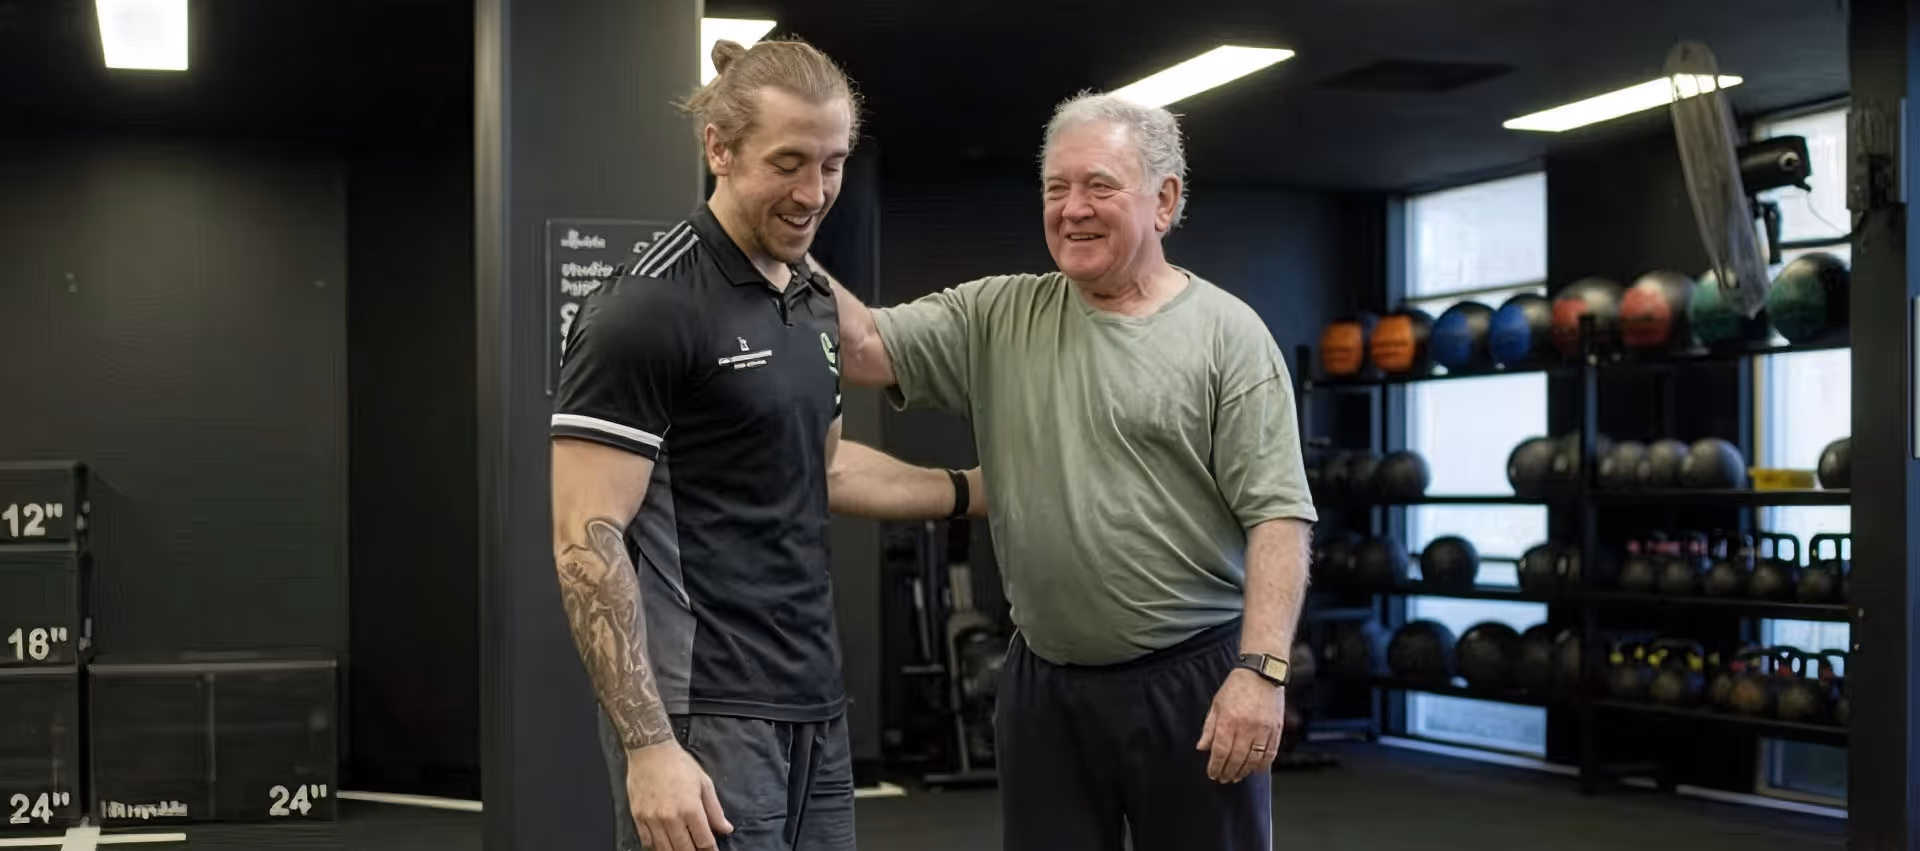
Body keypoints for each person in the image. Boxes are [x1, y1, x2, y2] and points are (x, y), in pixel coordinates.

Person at [826, 91, 1316, 851]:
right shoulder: (997, 314)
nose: (1072, 208)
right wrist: (769, 226)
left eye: (1098, 186)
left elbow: (1278, 516)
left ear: (1166, 200)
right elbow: (859, 345)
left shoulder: (1228, 336)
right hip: (1044, 682)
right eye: (1056, 188)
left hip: (1193, 677)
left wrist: (1260, 671)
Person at [549, 38, 983, 851]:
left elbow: (827, 467)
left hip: (812, 700)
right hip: (703, 709)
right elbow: (585, 537)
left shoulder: (813, 299)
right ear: (718, 147)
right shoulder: (646, 308)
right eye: (789, 162)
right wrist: (649, 746)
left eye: (833, 163)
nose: (814, 191)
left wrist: (975, 489)